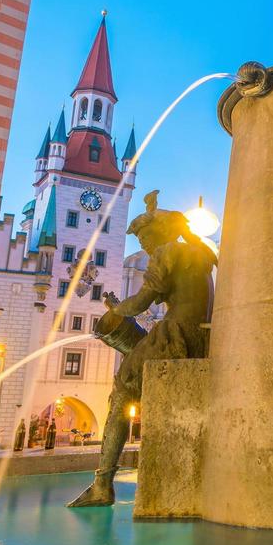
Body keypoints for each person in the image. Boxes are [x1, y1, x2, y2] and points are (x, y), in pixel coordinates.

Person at [68, 191, 217, 507]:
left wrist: (116, 310)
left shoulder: (168, 252)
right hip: (200, 337)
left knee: (122, 392)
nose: (144, 246)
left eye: (145, 238)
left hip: (174, 335)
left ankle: (102, 483)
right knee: (135, 366)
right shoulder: (201, 252)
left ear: (160, 233)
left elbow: (141, 303)